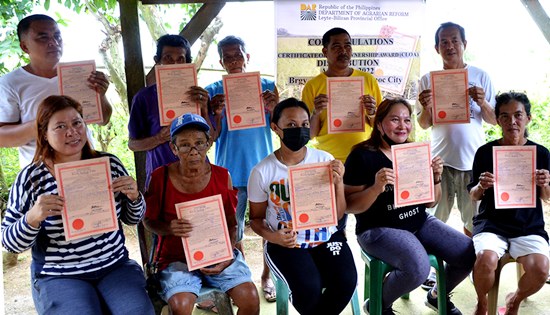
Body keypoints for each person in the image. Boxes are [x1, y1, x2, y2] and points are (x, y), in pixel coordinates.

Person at [1, 95, 153, 314]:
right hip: (60, 274)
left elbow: (133, 218)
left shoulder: (108, 164)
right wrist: (32, 218)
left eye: (76, 123)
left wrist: (134, 198)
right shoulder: (31, 179)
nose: (72, 132)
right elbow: (10, 243)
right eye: (60, 126)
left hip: (114, 266)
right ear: (44, 133)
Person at [344, 97, 475, 315]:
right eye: (394, 119)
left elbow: (431, 201)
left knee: (468, 253)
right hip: (378, 228)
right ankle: (378, 304)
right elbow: (349, 206)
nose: (402, 126)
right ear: (379, 124)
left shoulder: (413, 152)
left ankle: (436, 296)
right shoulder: (362, 156)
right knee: (418, 268)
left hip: (419, 221)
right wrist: (376, 187)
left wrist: (435, 177)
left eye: (407, 120)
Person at [248, 98, 357, 315]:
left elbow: (337, 214)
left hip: (326, 236)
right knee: (308, 290)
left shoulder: (324, 160)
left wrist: (338, 184)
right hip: (286, 243)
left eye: (305, 124)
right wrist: (275, 237)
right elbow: (256, 220)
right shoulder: (263, 171)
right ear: (275, 128)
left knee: (346, 282)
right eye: (290, 125)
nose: (299, 129)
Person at [143, 113, 260, 315]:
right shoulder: (159, 178)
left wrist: (227, 254)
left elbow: (232, 223)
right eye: (185, 145)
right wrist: (169, 228)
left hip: (217, 254)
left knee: (250, 298)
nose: (194, 151)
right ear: (174, 148)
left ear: (209, 144)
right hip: (176, 259)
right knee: (180, 306)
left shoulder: (223, 176)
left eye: (199, 143)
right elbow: (148, 221)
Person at [416, 21, 496, 290]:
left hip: (473, 162)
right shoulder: (427, 80)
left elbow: (494, 120)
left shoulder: (481, 75)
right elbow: (424, 124)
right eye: (444, 42)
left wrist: (483, 102)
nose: (450, 46)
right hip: (439, 163)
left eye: (454, 40)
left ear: (464, 44)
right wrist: (427, 106)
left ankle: (471, 266)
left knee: (473, 220)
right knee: (432, 220)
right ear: (437, 47)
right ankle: (428, 272)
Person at [204, 35, 279, 302]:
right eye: (228, 57)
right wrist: (215, 113)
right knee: (232, 228)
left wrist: (274, 106)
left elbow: (279, 127)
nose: (234, 60)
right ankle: (242, 278)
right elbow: (210, 137)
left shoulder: (267, 86)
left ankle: (268, 277)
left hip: (264, 170)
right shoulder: (213, 91)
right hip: (229, 173)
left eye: (238, 55)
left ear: (247, 57)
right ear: (221, 61)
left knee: (270, 226)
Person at [467, 92, 550, 315]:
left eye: (518, 115)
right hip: (492, 224)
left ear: (528, 118)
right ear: (498, 120)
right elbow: (473, 195)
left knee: (541, 268)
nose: (512, 122)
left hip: (528, 225)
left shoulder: (540, 154)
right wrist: (482, 186)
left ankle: (515, 300)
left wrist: (545, 184)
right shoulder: (485, 152)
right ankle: (482, 301)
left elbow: (547, 197)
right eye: (504, 116)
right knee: (486, 259)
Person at [0, 14, 113, 168]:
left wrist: (101, 96)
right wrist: (44, 124)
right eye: (43, 37)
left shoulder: (80, 75)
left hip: (85, 167)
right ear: (24, 46)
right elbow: (3, 138)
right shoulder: (10, 83)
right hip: (41, 174)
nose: (53, 43)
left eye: (57, 36)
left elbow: (103, 120)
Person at [301, 27, 382, 232]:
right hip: (331, 161)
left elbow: (381, 126)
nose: (343, 51)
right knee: (334, 223)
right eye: (336, 46)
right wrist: (316, 112)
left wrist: (372, 113)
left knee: (372, 219)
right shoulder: (313, 86)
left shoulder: (368, 80)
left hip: (364, 159)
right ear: (324, 52)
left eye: (347, 45)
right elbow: (309, 135)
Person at [128, 34, 209, 188]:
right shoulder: (144, 97)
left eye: (180, 59)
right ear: (157, 62)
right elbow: (133, 144)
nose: (174, 64)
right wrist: (159, 138)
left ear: (187, 63)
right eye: (168, 58)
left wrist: (204, 108)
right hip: (161, 178)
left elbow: (210, 138)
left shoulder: (198, 95)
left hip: (198, 176)